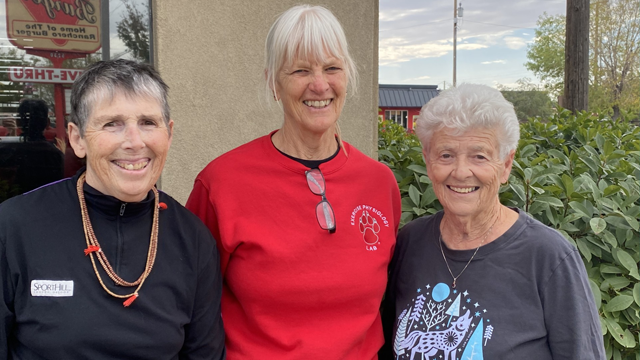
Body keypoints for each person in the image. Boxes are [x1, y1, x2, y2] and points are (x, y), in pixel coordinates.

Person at [187, 5, 401, 359]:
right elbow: (192, 302)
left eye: (332, 68)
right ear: (274, 82)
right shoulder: (221, 183)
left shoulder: (379, 183)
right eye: (301, 70)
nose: (320, 85)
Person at [0, 59, 226, 359]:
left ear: (168, 134)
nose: (134, 142)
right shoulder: (15, 227)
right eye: (112, 124)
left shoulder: (193, 239)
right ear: (77, 139)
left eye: (148, 122)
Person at [379, 84, 605, 359]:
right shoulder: (410, 242)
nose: (461, 172)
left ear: (506, 165)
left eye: (479, 156)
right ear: (428, 161)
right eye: (446, 155)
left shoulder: (549, 257)